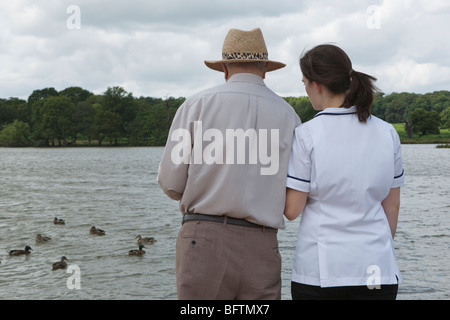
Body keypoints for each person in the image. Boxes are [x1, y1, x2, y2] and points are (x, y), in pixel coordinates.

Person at [158, 28, 301, 300]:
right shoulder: (289, 116)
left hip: (203, 237)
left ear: (223, 68)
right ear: (265, 70)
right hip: (263, 242)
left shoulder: (195, 105)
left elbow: (170, 181)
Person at [284, 44, 405, 300]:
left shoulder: (306, 135)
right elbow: (391, 206)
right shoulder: (387, 133)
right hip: (378, 268)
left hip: (321, 272)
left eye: (304, 83)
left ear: (316, 85)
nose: (305, 91)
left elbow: (292, 210)